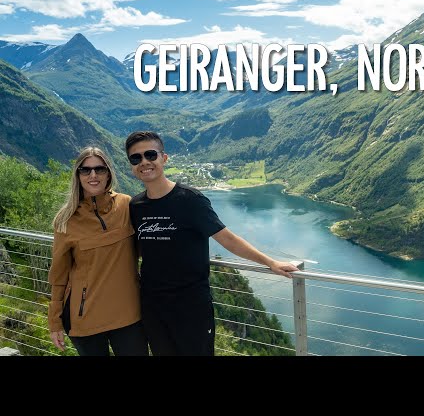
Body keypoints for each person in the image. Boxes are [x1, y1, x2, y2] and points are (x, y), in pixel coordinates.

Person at [125, 131, 299, 356]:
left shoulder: (190, 200)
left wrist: (270, 262)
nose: (144, 162)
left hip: (191, 307)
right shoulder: (136, 206)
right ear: (131, 164)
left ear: (164, 158)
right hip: (153, 306)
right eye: (136, 158)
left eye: (150, 155)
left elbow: (227, 238)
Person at [48, 147, 148, 356]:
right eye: (86, 170)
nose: (93, 175)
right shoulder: (65, 220)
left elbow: (148, 247)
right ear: (78, 175)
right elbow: (59, 275)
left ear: (108, 173)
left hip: (128, 314)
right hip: (85, 319)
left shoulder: (126, 205)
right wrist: (54, 321)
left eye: (99, 169)